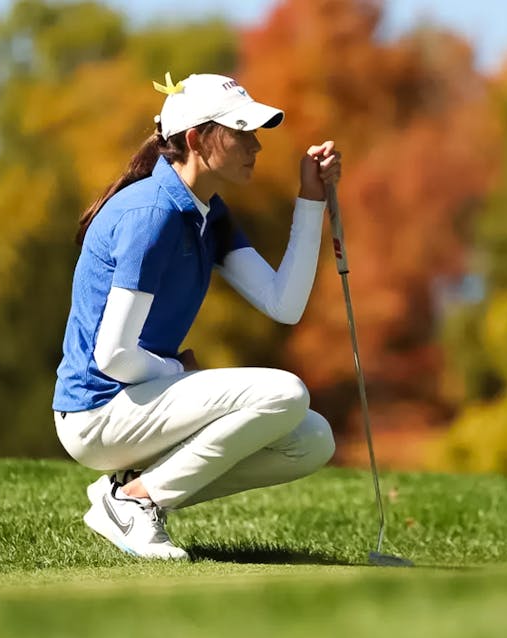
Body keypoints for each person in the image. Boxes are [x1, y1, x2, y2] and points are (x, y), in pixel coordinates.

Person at [52, 72, 342, 559]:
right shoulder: (153, 214)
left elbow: (283, 304)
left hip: (141, 401)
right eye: (241, 133)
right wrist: (177, 370)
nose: (256, 146)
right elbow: (114, 355)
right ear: (195, 138)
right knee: (285, 393)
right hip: (97, 411)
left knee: (313, 440)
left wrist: (311, 197)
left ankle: (132, 491)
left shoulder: (207, 212)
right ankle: (136, 500)